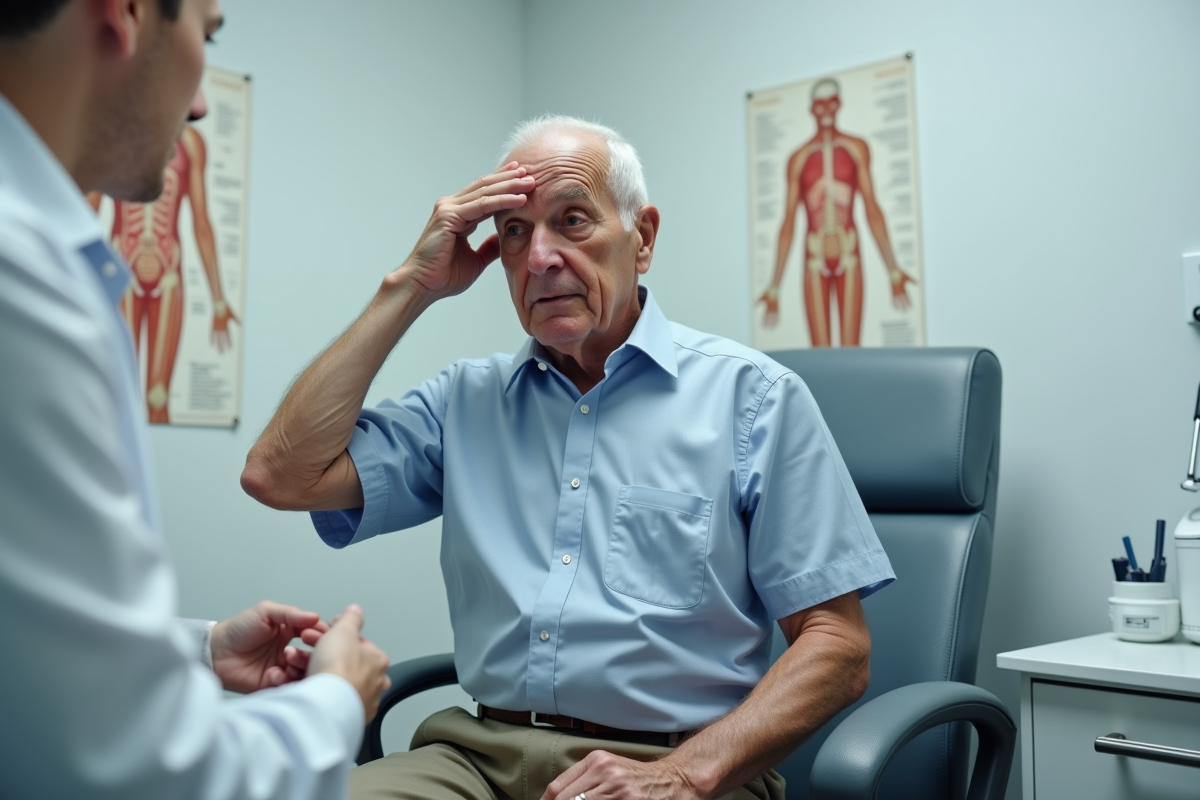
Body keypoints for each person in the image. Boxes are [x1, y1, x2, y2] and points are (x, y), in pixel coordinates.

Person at [242, 115, 895, 800]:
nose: (541, 257)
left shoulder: (753, 399)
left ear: (642, 239)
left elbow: (837, 646)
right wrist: (411, 283)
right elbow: (279, 474)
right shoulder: (466, 400)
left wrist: (680, 775)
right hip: (473, 759)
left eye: (573, 220)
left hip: (675, 767)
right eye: (516, 232)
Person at [0, 1, 391, 798]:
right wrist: (334, 704)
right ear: (125, 13)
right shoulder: (23, 284)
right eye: (206, 38)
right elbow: (134, 772)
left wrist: (198, 649)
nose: (205, 100)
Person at [90, 124, 237, 424]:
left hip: (169, 277)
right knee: (119, 394)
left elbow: (202, 223)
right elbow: (85, 213)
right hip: (124, 277)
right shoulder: (113, 134)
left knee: (158, 398)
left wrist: (219, 302)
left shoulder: (191, 142)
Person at [757, 78, 915, 347]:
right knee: (819, 352)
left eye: (831, 104)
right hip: (814, 257)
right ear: (812, 109)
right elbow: (787, 224)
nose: (826, 111)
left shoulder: (856, 148)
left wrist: (893, 270)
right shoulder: (798, 158)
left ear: (839, 104)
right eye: (820, 105)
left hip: (849, 252)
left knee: (851, 349)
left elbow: (872, 209)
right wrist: (774, 286)